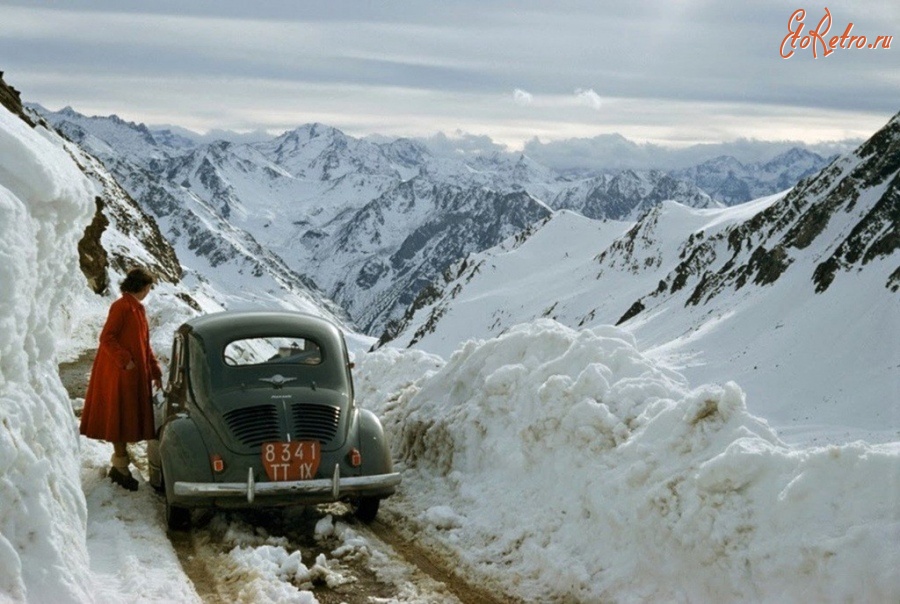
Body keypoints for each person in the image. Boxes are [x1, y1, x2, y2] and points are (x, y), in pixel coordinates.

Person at [80, 267, 163, 491]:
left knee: (125, 417)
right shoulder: (121, 306)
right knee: (119, 417)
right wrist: (125, 360)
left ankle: (120, 466)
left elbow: (144, 344)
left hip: (131, 372)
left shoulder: (138, 309)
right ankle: (120, 468)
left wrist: (154, 370)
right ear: (142, 287)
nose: (148, 291)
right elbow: (106, 337)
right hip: (120, 372)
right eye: (148, 287)